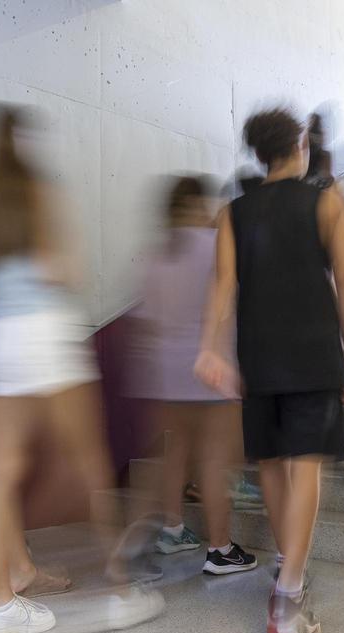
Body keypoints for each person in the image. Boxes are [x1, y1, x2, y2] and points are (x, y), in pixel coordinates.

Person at [0, 105, 162, 633]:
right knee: (89, 460)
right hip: (42, 335)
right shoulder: (38, 190)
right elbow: (65, 270)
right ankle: (121, 587)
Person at [196, 107, 344, 633]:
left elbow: (222, 287)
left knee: (271, 463)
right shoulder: (327, 203)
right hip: (313, 351)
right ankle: (288, 596)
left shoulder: (233, 213)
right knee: (305, 467)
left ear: (259, 153)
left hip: (260, 355)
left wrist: (210, 349)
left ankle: (286, 567)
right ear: (300, 147)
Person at [130, 175, 256, 575]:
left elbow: (145, 321)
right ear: (199, 204)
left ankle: (172, 529)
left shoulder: (157, 253)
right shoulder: (213, 245)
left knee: (176, 453)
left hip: (165, 374)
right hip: (211, 369)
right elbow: (230, 302)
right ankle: (220, 547)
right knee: (216, 460)